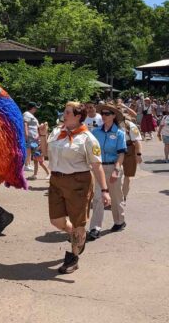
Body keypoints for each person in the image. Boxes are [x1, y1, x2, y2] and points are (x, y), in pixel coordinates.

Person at [42, 101, 111, 274]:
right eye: (64, 112)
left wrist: (104, 190)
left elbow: (96, 166)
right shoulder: (58, 132)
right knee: (56, 220)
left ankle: (73, 258)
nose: (63, 115)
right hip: (57, 180)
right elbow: (45, 154)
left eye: (67, 113)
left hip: (78, 183)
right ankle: (76, 234)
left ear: (78, 116)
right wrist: (43, 136)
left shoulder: (88, 138)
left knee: (78, 222)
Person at [88, 104, 127, 241]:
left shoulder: (119, 133)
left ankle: (119, 221)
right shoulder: (95, 132)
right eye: (103, 113)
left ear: (114, 116)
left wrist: (117, 169)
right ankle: (95, 228)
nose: (104, 116)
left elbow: (121, 154)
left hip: (113, 167)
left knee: (116, 197)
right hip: (99, 168)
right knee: (98, 197)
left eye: (107, 113)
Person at [121, 116, 143, 201]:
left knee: (128, 175)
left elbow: (137, 140)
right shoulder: (108, 124)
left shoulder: (130, 125)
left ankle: (123, 197)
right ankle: (116, 196)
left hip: (129, 149)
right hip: (114, 150)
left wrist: (138, 154)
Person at [23, 102, 41, 171]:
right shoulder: (27, 114)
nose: (36, 109)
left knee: (30, 150)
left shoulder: (30, 115)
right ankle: (26, 165)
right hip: (30, 135)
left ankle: (29, 165)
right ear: (32, 108)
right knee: (28, 150)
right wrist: (26, 134)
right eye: (35, 108)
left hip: (33, 136)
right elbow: (25, 124)